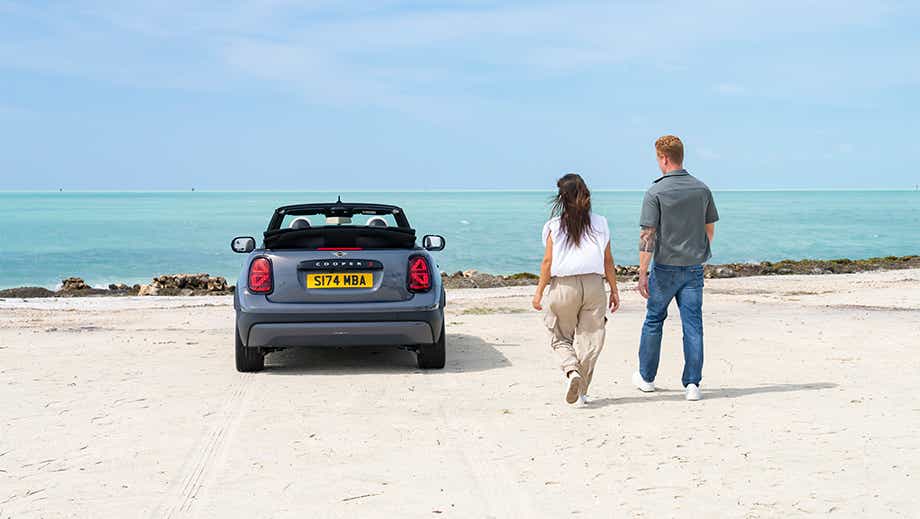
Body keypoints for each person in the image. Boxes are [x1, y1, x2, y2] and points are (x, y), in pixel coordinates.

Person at [634, 135, 719, 401]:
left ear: (664, 158)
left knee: (653, 321)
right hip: (693, 267)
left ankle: (647, 378)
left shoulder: (655, 192)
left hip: (665, 267)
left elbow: (648, 235)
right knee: (693, 325)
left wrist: (642, 272)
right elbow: (709, 229)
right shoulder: (701, 189)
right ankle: (692, 384)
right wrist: (696, 251)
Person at [533, 173, 620, 406]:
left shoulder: (554, 226)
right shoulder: (601, 222)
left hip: (563, 287)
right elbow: (608, 260)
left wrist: (539, 292)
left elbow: (548, 263)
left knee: (560, 337)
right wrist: (614, 289)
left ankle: (572, 371)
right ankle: (582, 392)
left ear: (561, 198)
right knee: (591, 339)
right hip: (594, 286)